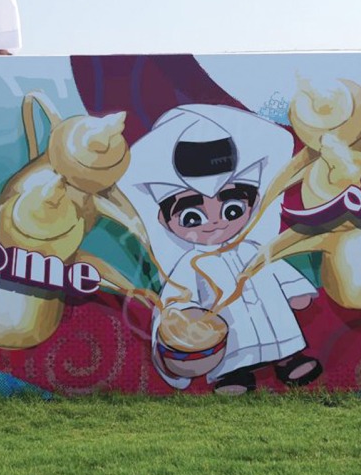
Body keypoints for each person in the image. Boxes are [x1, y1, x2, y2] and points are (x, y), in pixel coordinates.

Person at [123, 104, 323, 395]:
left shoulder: (254, 248)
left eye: (231, 210)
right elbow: (178, 299)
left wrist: (295, 290)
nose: (215, 223)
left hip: (272, 316)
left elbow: (275, 266)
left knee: (279, 331)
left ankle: (289, 359)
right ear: (165, 220)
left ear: (252, 205)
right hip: (227, 328)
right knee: (234, 349)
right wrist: (185, 324)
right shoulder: (189, 264)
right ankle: (233, 375)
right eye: (193, 218)